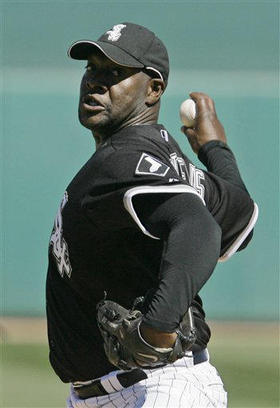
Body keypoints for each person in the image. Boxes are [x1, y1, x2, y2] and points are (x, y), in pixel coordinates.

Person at [46, 22, 258, 408]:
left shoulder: (124, 159)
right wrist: (215, 150)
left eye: (114, 73)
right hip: (142, 388)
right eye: (91, 68)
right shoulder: (166, 160)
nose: (95, 82)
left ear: (154, 89)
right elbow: (240, 217)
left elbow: (200, 230)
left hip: (153, 390)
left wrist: (157, 328)